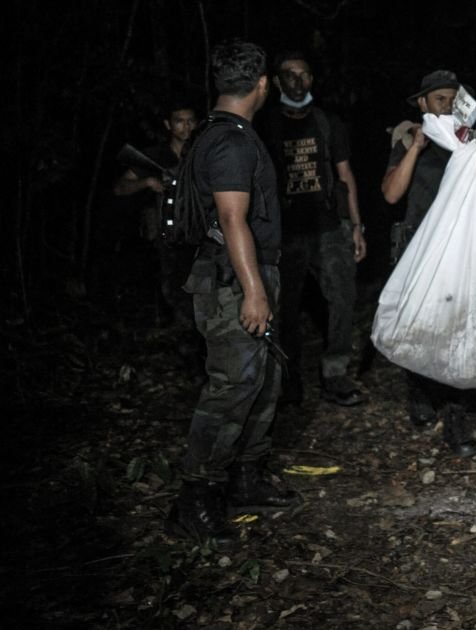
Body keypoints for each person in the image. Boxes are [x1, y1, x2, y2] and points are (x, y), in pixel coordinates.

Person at [167, 39, 297, 550]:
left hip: (244, 273)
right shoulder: (230, 142)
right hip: (232, 279)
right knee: (232, 386)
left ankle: (246, 477)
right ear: (262, 85)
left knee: (262, 379)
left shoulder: (221, 132)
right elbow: (230, 218)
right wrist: (253, 292)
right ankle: (194, 501)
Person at [260, 51, 368, 408]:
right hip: (284, 233)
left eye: (304, 74)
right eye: (289, 74)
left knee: (341, 300)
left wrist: (355, 226)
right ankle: (288, 382)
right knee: (284, 308)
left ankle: (335, 374)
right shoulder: (264, 124)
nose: (297, 80)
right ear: (277, 82)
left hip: (329, 229)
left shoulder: (326, 122)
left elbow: (345, 175)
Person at [381, 70, 476, 456]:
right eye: (440, 99)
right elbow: (391, 194)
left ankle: (457, 417)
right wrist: (416, 148)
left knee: (458, 331)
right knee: (421, 328)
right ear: (423, 104)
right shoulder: (408, 139)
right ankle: (420, 392)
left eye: (454, 98)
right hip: (418, 249)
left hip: (460, 250)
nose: (448, 105)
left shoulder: (469, 140)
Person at [114, 103, 199, 335]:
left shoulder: (203, 152)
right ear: (168, 125)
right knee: (173, 287)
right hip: (169, 234)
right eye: (179, 121)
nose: (186, 126)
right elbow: (120, 187)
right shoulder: (155, 155)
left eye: (190, 120)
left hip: (202, 234)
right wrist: (148, 183)